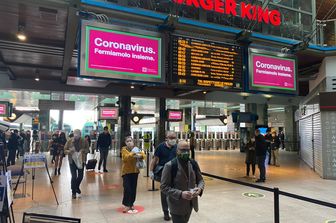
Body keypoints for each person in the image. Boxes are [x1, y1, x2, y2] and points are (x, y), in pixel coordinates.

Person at [161, 140, 205, 223]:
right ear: (177, 151)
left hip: (191, 203)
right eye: (183, 150)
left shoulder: (193, 163)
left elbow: (200, 180)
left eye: (187, 150)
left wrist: (199, 189)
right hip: (176, 206)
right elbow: (163, 187)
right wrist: (181, 194)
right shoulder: (170, 166)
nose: (186, 152)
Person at [149, 131, 178, 221]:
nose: (173, 140)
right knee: (164, 193)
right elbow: (154, 159)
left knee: (175, 193)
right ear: (166, 138)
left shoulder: (177, 147)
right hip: (163, 173)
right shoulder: (160, 147)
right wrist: (151, 171)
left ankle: (174, 211)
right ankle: (166, 212)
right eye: (171, 138)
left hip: (175, 172)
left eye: (174, 138)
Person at [121, 136, 146, 213]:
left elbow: (143, 155)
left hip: (135, 172)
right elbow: (125, 158)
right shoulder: (124, 150)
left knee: (133, 189)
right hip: (126, 172)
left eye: (130, 141)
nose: (129, 142)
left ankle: (131, 203)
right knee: (127, 188)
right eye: (127, 141)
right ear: (125, 143)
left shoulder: (136, 149)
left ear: (133, 142)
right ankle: (126, 204)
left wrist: (140, 155)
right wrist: (133, 153)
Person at [64, 129, 89, 199]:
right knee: (74, 176)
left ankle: (76, 186)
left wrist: (83, 150)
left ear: (80, 135)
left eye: (77, 136)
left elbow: (88, 149)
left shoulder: (84, 141)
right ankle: (73, 192)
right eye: (75, 136)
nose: (76, 137)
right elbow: (65, 150)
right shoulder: (69, 141)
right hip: (72, 161)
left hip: (81, 160)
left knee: (80, 176)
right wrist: (69, 151)